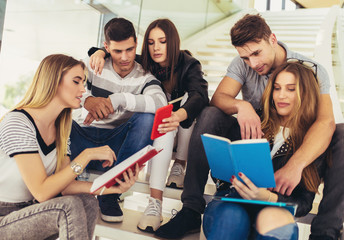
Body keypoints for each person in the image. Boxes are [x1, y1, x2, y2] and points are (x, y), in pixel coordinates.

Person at [154, 14, 344, 240]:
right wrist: (242, 106)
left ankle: (325, 232)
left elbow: (325, 122)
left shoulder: (310, 71)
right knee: (210, 114)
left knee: (341, 133)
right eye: (245, 58)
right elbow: (218, 99)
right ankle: (191, 208)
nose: (253, 64)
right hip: (253, 135)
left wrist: (295, 165)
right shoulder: (243, 65)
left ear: (272, 39)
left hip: (290, 153)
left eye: (256, 53)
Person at [0, 54, 140, 240]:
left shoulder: (60, 129)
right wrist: (86, 155)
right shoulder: (18, 123)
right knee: (67, 207)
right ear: (54, 81)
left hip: (28, 212)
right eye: (76, 81)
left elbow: (66, 187)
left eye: (83, 82)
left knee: (88, 202)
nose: (83, 90)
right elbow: (42, 192)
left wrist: (112, 188)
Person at [89, 18, 209, 232]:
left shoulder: (189, 64)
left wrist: (179, 115)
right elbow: (116, 52)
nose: (156, 48)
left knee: (175, 113)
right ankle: (155, 203)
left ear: (172, 42)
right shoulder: (142, 63)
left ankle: (179, 165)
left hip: (182, 128)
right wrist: (99, 52)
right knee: (161, 118)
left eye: (162, 41)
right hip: (157, 131)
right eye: (151, 43)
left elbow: (200, 96)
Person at [203, 61, 328, 240]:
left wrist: (268, 197)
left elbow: (304, 204)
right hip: (231, 201)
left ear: (305, 94)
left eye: (291, 89)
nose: (281, 95)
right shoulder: (254, 121)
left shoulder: (313, 141)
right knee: (232, 216)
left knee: (273, 219)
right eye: (277, 88)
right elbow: (223, 173)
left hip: (274, 208)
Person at [69, 17, 167, 224]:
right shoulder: (94, 65)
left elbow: (160, 103)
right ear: (106, 47)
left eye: (129, 50)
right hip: (83, 137)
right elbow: (63, 87)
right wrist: (88, 100)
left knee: (148, 119)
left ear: (136, 44)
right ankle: (64, 187)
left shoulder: (145, 76)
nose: (124, 57)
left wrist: (118, 100)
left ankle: (110, 195)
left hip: (116, 146)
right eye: (117, 51)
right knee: (61, 118)